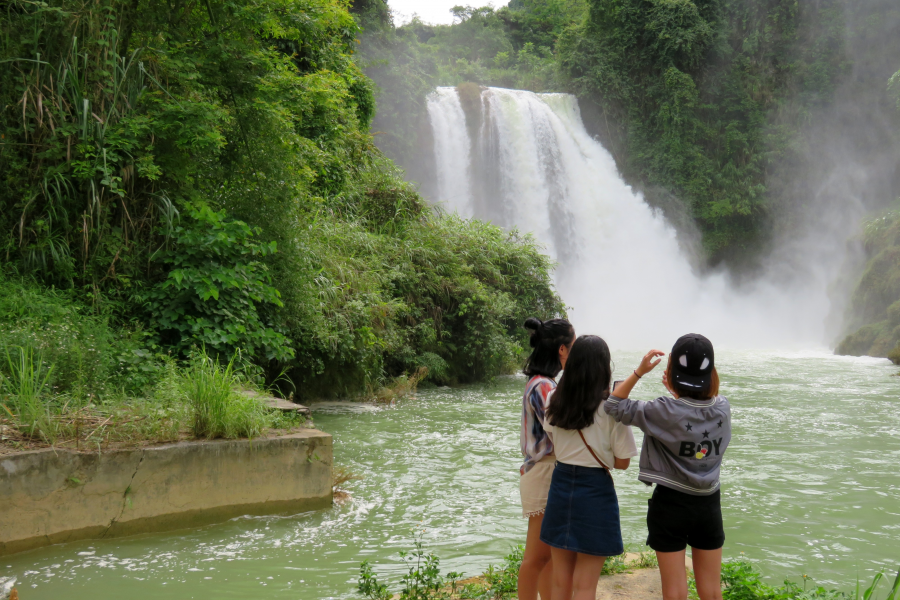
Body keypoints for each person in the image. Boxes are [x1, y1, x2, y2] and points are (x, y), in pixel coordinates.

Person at [604, 334, 731, 600]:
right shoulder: (722, 409)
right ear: (711, 372)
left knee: (674, 592)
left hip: (671, 504)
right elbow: (695, 410)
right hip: (709, 504)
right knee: (711, 590)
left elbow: (614, 404)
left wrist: (639, 372)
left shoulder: (662, 411)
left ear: (671, 369)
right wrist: (678, 393)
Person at [540, 335, 638, 600]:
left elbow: (553, 438)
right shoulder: (611, 409)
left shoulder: (553, 400)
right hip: (595, 491)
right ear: (603, 367)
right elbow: (623, 462)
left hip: (560, 486)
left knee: (560, 582)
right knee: (585, 586)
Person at [517, 317, 575, 600]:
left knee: (548, 557)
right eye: (573, 346)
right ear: (562, 350)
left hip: (543, 471)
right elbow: (559, 431)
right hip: (544, 473)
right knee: (537, 557)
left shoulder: (543, 383)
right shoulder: (544, 387)